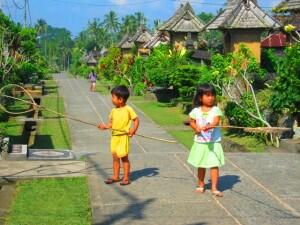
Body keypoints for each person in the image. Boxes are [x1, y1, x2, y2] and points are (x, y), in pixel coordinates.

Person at [188, 83, 225, 197]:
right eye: (207, 95)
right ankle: (201, 184)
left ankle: (214, 188)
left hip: (213, 143)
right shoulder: (196, 111)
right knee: (201, 164)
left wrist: (211, 126)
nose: (211, 98)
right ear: (200, 97)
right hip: (201, 142)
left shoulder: (216, 110)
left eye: (212, 95)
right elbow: (191, 121)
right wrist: (196, 128)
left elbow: (216, 120)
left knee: (214, 165)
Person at [98, 85, 139, 186]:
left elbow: (136, 120)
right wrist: (105, 127)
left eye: (113, 97)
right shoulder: (113, 111)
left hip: (123, 137)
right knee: (115, 157)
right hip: (114, 137)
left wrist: (133, 130)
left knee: (124, 158)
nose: (112, 99)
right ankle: (116, 177)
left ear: (120, 99)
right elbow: (111, 124)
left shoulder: (128, 109)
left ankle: (126, 178)